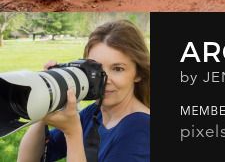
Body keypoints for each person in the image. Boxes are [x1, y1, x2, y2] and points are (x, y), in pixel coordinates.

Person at [17, 20, 150, 162]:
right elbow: (29, 159)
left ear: (138, 73)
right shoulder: (95, 113)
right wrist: (47, 102)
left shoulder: (141, 129)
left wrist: (72, 133)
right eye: (96, 69)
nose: (104, 80)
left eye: (117, 69)